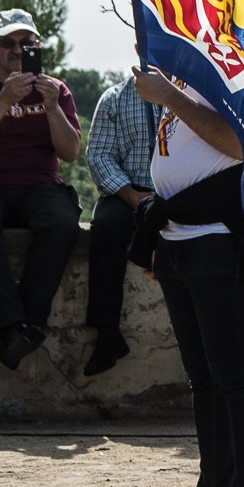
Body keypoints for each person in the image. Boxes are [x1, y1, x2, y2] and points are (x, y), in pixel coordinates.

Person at [125, 65, 244, 487]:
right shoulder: (184, 78)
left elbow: (238, 146)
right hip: (178, 244)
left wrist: (169, 96)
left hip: (220, 243)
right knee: (205, 379)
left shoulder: (226, 70)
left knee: (239, 376)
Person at [0, 8, 83, 367]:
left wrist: (53, 108)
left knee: (63, 223)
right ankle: (13, 327)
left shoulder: (56, 90)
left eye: (27, 42)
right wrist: (3, 100)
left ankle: (27, 325)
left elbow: (69, 153)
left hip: (38, 185)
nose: (18, 50)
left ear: (37, 45)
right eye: (8, 43)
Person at [80, 75, 164, 377]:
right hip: (127, 191)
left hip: (175, 193)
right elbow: (99, 154)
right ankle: (108, 335)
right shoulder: (115, 98)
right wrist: (131, 195)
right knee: (105, 227)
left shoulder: (192, 97)